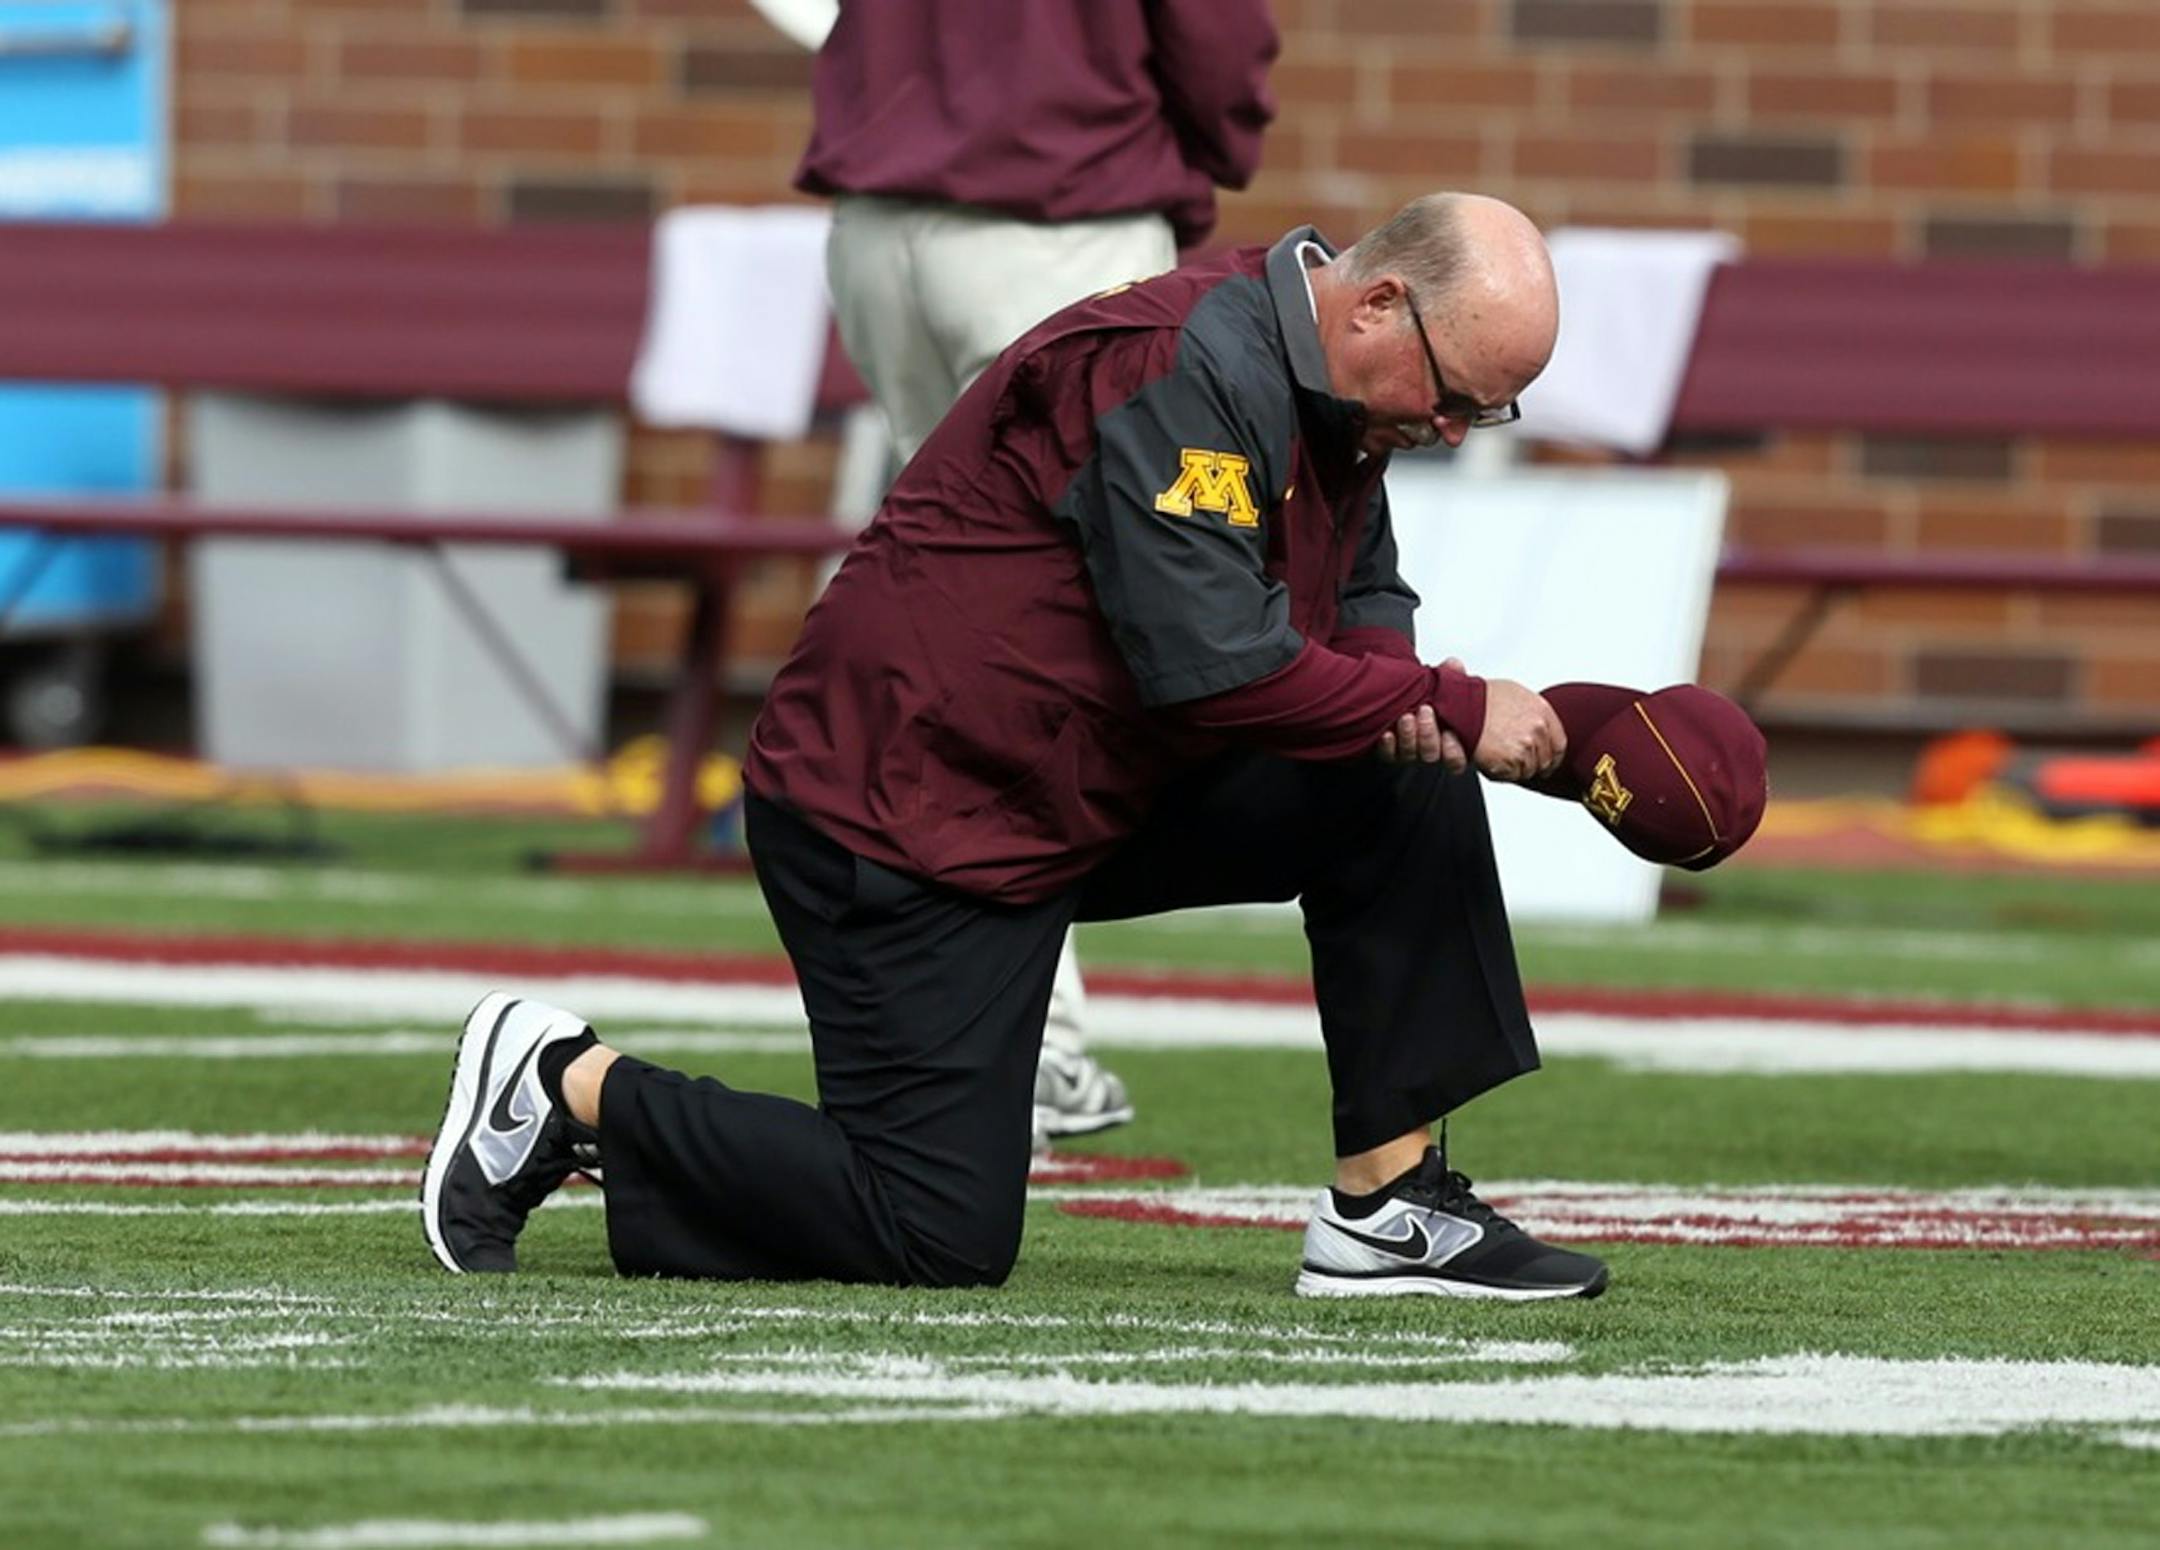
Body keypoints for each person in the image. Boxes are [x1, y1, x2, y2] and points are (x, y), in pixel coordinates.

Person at [423, 191, 1612, 1301]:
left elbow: (1363, 601)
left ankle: (1389, 1205)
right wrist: (1455, 704)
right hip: (906, 806)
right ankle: (561, 1083)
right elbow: (1213, 664)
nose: (1455, 431)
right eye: (1456, 395)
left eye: (1487, 411)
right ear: (1377, 304)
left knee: (1399, 772)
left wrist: (1466, 720)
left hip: (1069, 781)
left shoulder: (1340, 393)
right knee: (935, 1228)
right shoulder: (1176, 367)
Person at [795, 0, 1281, 1143]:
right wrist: (1211, 141)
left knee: (945, 604)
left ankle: (951, 1022)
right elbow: (1217, 39)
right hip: (1056, 202)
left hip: (880, 218)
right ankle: (1021, 1039)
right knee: (1052, 629)